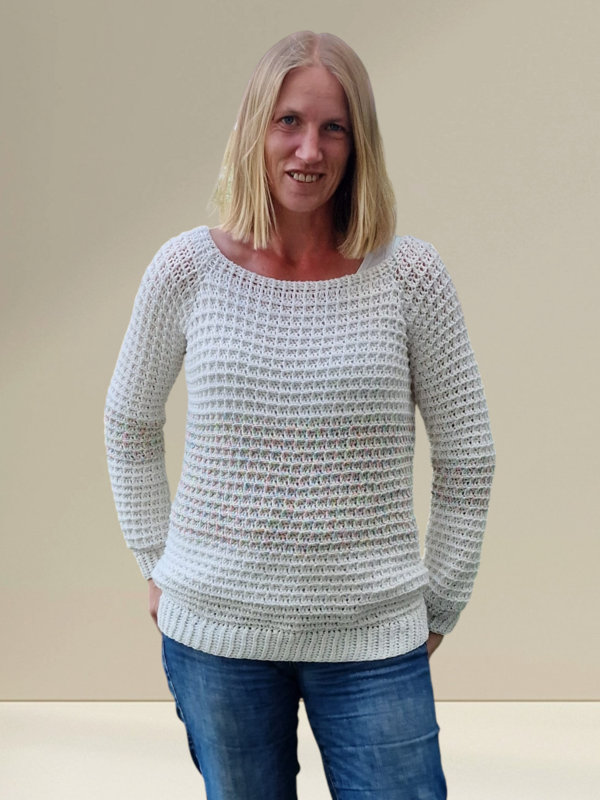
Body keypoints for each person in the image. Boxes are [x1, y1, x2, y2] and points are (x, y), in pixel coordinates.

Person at [104, 30, 496, 800]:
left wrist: (441, 602)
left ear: (359, 143)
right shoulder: (186, 269)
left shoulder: (411, 277)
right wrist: (157, 561)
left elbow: (467, 455)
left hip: (372, 636)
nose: (309, 150)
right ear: (256, 127)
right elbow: (129, 423)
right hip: (217, 638)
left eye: (333, 128)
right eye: (289, 121)